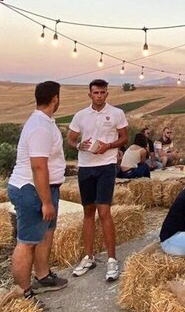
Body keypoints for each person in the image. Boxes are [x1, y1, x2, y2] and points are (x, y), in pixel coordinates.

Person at [7, 81, 68, 299]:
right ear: (55, 99)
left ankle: (42, 276)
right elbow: (38, 166)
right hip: (31, 190)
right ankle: (22, 293)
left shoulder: (45, 122)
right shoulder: (40, 127)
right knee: (27, 242)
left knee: (45, 234)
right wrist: (46, 202)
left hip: (44, 188)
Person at [66, 79, 129, 281]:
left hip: (106, 165)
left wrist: (108, 146)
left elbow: (124, 137)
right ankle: (88, 256)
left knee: (104, 211)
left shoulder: (117, 113)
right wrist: (79, 146)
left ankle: (112, 259)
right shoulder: (80, 115)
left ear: (107, 94)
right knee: (88, 211)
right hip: (86, 166)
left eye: (102, 92)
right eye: (96, 93)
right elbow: (71, 139)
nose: (99, 96)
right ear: (90, 94)